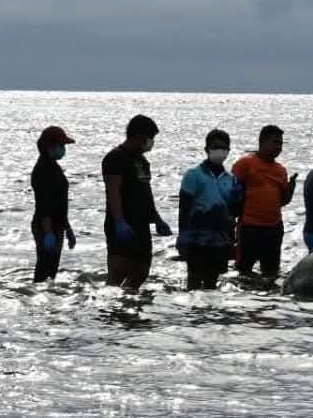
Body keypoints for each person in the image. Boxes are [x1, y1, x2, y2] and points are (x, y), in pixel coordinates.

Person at [103, 114, 171, 289]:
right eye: (151, 138)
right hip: (121, 224)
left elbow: (146, 193)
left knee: (142, 269)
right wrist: (119, 222)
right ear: (139, 135)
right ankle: (112, 309)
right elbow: (113, 192)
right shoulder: (115, 158)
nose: (151, 142)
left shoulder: (142, 161)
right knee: (118, 271)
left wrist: (157, 219)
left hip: (141, 223)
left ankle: (129, 302)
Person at [178, 130, 242, 290]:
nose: (220, 151)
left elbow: (234, 212)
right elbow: (184, 208)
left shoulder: (231, 180)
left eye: (224, 147)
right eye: (216, 147)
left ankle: (209, 313)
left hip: (220, 239)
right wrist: (182, 235)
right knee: (193, 281)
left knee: (211, 284)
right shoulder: (193, 175)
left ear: (228, 151)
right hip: (196, 238)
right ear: (207, 149)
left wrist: (238, 198)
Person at [230, 124, 296, 279]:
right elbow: (231, 195)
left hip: (274, 228)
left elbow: (282, 201)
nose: (279, 147)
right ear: (262, 142)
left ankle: (268, 301)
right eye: (275, 142)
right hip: (250, 227)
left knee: (272, 272)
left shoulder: (280, 170)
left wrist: (291, 188)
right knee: (243, 271)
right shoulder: (245, 164)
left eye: (281, 143)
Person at [31, 125, 77, 282]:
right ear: (49, 146)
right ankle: (38, 301)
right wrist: (48, 232)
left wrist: (67, 228)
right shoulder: (43, 170)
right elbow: (44, 204)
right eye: (61, 145)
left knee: (51, 270)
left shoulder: (53, 167)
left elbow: (60, 205)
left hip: (56, 224)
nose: (63, 149)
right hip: (46, 225)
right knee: (45, 269)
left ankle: (48, 301)